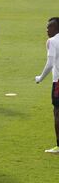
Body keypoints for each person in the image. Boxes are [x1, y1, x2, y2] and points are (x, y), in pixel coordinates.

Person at [35, 17, 59, 153]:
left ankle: (58, 146)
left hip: (58, 82)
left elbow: (50, 64)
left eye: (50, 27)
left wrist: (40, 78)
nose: (47, 30)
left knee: (57, 113)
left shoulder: (52, 41)